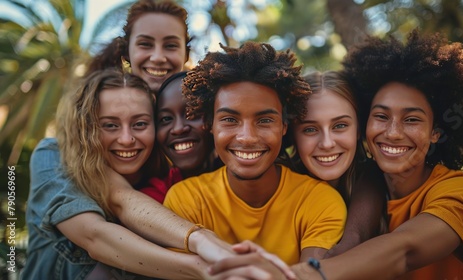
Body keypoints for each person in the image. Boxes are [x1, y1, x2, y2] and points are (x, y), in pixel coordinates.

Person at [208, 30, 463, 279]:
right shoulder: (301, 190)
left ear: (436, 131)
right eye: (381, 116)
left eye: (412, 119)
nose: (394, 132)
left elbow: (404, 250)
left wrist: (297, 275)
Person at [23, 1, 234, 279]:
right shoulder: (57, 154)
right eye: (146, 44)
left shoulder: (179, 150)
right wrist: (210, 264)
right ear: (127, 53)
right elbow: (108, 222)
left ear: (185, 54)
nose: (158, 57)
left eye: (140, 124)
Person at [164, 41, 347, 265]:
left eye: (265, 120)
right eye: (230, 120)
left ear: (284, 127)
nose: (247, 137)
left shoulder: (319, 201)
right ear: (211, 125)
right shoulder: (186, 200)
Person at [287, 71, 386, 257]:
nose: (327, 143)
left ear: (358, 129)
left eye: (340, 126)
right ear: (293, 135)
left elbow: (352, 241)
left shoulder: (371, 177)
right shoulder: (280, 183)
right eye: (309, 129)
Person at [140, 71, 218, 203]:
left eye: (191, 114)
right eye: (165, 118)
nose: (178, 128)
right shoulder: (153, 197)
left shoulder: (249, 182)